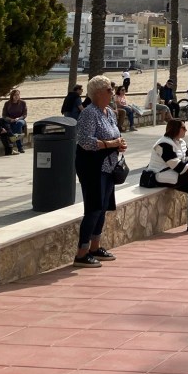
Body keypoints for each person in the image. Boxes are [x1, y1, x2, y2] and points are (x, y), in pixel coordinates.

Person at [73, 75, 127, 268]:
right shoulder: (89, 113)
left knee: (103, 207)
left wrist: (119, 144)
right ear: (97, 93)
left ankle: (95, 247)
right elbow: (85, 141)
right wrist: (111, 144)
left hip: (108, 167)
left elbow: (116, 134)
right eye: (109, 90)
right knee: (93, 208)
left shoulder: (109, 113)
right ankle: (82, 253)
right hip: (93, 167)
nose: (112, 92)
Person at [1, 89, 27, 154]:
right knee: (12, 127)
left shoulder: (23, 103)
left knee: (18, 124)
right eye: (15, 95)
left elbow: (24, 115)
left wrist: (18, 118)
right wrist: (10, 119)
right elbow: (4, 115)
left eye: (18, 95)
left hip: (20, 120)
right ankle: (15, 146)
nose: (16, 96)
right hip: (11, 121)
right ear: (12, 96)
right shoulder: (7, 103)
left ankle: (20, 147)